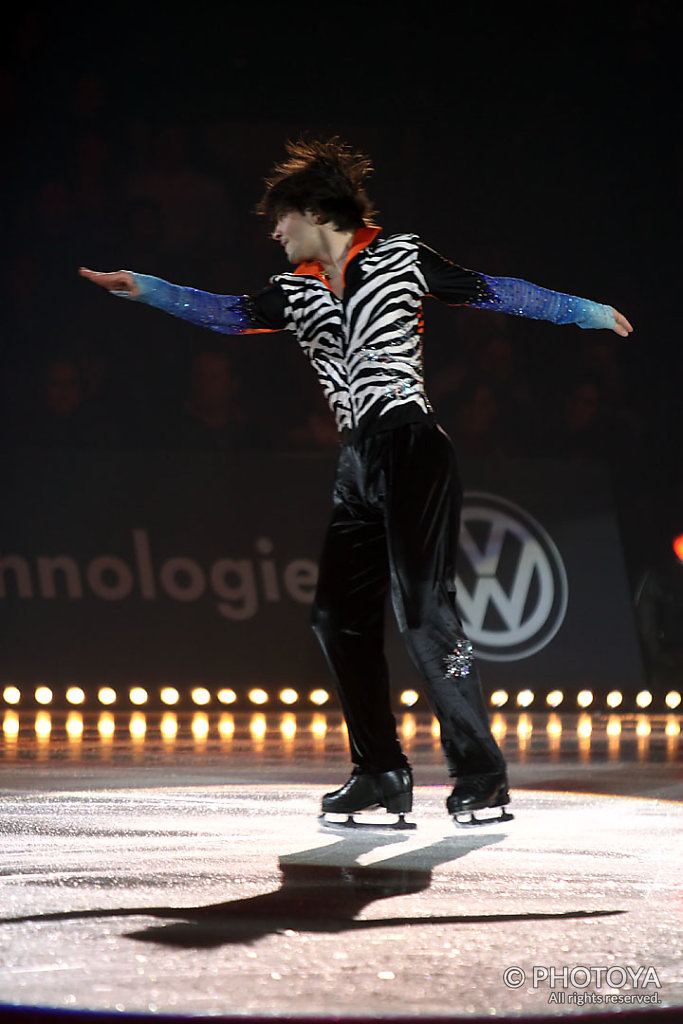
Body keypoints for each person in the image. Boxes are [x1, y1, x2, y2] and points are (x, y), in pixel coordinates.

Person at [79, 137, 633, 826]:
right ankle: (379, 772)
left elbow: (498, 293)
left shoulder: (402, 257)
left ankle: (481, 772)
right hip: (356, 462)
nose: (273, 231)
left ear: (313, 211)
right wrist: (145, 289)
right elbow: (226, 314)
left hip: (412, 447)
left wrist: (586, 312)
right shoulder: (292, 289)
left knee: (425, 613)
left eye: (280, 218)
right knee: (337, 618)